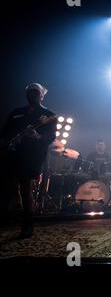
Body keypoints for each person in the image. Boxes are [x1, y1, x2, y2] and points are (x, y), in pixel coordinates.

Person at [0, 83, 56, 238]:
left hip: (32, 155)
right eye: (29, 92)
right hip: (12, 154)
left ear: (42, 95)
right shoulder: (16, 112)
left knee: (25, 187)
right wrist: (6, 143)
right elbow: (4, 132)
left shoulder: (49, 114)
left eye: (35, 92)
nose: (32, 95)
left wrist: (37, 136)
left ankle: (28, 224)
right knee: (8, 187)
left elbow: (50, 136)